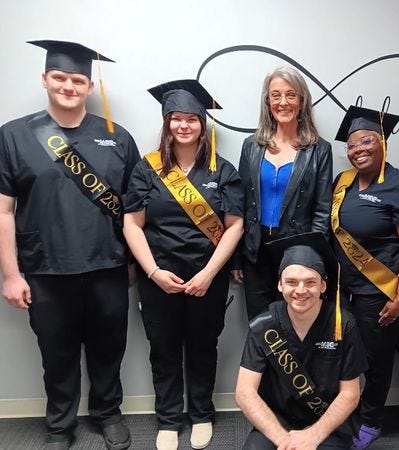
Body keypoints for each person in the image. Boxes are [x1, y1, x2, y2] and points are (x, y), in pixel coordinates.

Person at [0, 40, 140, 450]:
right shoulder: (13, 135)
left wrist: (134, 264)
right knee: (56, 354)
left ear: (90, 87)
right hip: (44, 269)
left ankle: (107, 413)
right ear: (44, 79)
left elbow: (135, 212)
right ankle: (60, 426)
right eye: (59, 77)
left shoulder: (117, 138)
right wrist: (10, 274)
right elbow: (4, 210)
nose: (68, 86)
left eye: (78, 80)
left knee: (108, 349)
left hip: (108, 267)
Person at [123, 79, 243, 450]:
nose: (184, 125)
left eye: (192, 119)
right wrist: (153, 272)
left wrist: (208, 273)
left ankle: (202, 414)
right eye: (176, 118)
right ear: (167, 123)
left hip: (208, 277)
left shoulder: (222, 170)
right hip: (158, 276)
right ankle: (169, 419)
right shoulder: (147, 169)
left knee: (203, 347)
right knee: (163, 350)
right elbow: (132, 223)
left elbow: (235, 226)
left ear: (203, 124)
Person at [330, 104, 399, 449]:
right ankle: (346, 411)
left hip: (379, 291)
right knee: (344, 355)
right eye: (352, 144)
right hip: (343, 289)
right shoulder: (343, 182)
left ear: (383, 142)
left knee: (375, 359)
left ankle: (371, 420)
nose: (358, 149)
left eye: (367, 140)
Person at [235, 231, 368, 450]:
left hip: (327, 421)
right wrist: (285, 441)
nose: (300, 290)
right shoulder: (264, 325)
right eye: (291, 282)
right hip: (277, 421)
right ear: (280, 285)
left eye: (310, 282)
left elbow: (350, 394)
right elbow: (244, 392)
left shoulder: (343, 324)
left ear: (323, 286)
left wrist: (312, 436)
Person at [237, 66, 333, 320]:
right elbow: (241, 204)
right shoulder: (251, 146)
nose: (283, 102)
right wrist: (238, 257)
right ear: (267, 101)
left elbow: (322, 210)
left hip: (297, 248)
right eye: (275, 95)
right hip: (255, 250)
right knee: (259, 323)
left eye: (291, 95)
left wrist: (311, 257)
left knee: (294, 323)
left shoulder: (319, 150)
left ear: (302, 101)